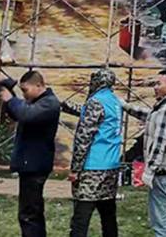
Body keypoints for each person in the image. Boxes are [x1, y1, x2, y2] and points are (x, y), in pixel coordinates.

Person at [120, 69, 166, 237]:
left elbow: (159, 143)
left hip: (163, 174)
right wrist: (126, 106)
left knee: (161, 223)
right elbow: (150, 116)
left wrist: (149, 171)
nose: (155, 87)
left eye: (159, 83)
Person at [0, 71, 61, 237]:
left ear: (39, 85)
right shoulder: (37, 102)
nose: (24, 95)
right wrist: (9, 97)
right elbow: (18, 114)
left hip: (35, 165)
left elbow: (26, 115)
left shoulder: (49, 103)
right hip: (31, 164)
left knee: (29, 214)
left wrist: (10, 98)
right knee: (32, 212)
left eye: (25, 90)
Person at [68, 69, 121, 237]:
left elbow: (84, 137)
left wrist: (75, 169)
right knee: (108, 215)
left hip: (92, 166)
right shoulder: (115, 101)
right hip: (111, 164)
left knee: (81, 217)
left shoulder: (95, 101)